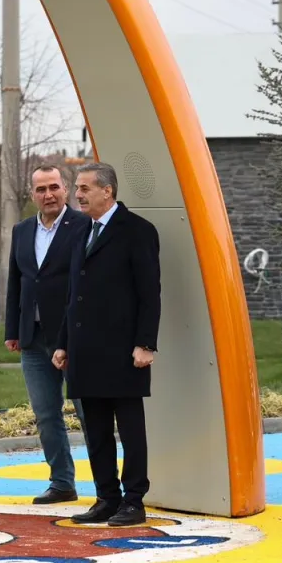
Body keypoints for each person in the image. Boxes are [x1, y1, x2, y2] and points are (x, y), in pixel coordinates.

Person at [52, 162, 160, 527]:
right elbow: (73, 294)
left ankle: (134, 500)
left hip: (123, 351)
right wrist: (63, 342)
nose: (77, 195)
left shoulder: (137, 230)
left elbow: (150, 293)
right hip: (85, 351)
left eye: (84, 188)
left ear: (107, 191)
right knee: (96, 431)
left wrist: (146, 343)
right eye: (77, 188)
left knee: (130, 430)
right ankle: (106, 498)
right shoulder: (82, 231)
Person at [4, 162, 90, 504]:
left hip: (74, 336)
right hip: (33, 337)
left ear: (65, 189)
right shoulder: (22, 231)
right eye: (41, 189)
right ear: (33, 194)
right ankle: (62, 482)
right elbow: (17, 282)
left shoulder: (84, 226)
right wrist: (13, 329)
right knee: (45, 414)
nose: (48, 194)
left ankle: (108, 487)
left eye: (54, 187)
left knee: (88, 411)